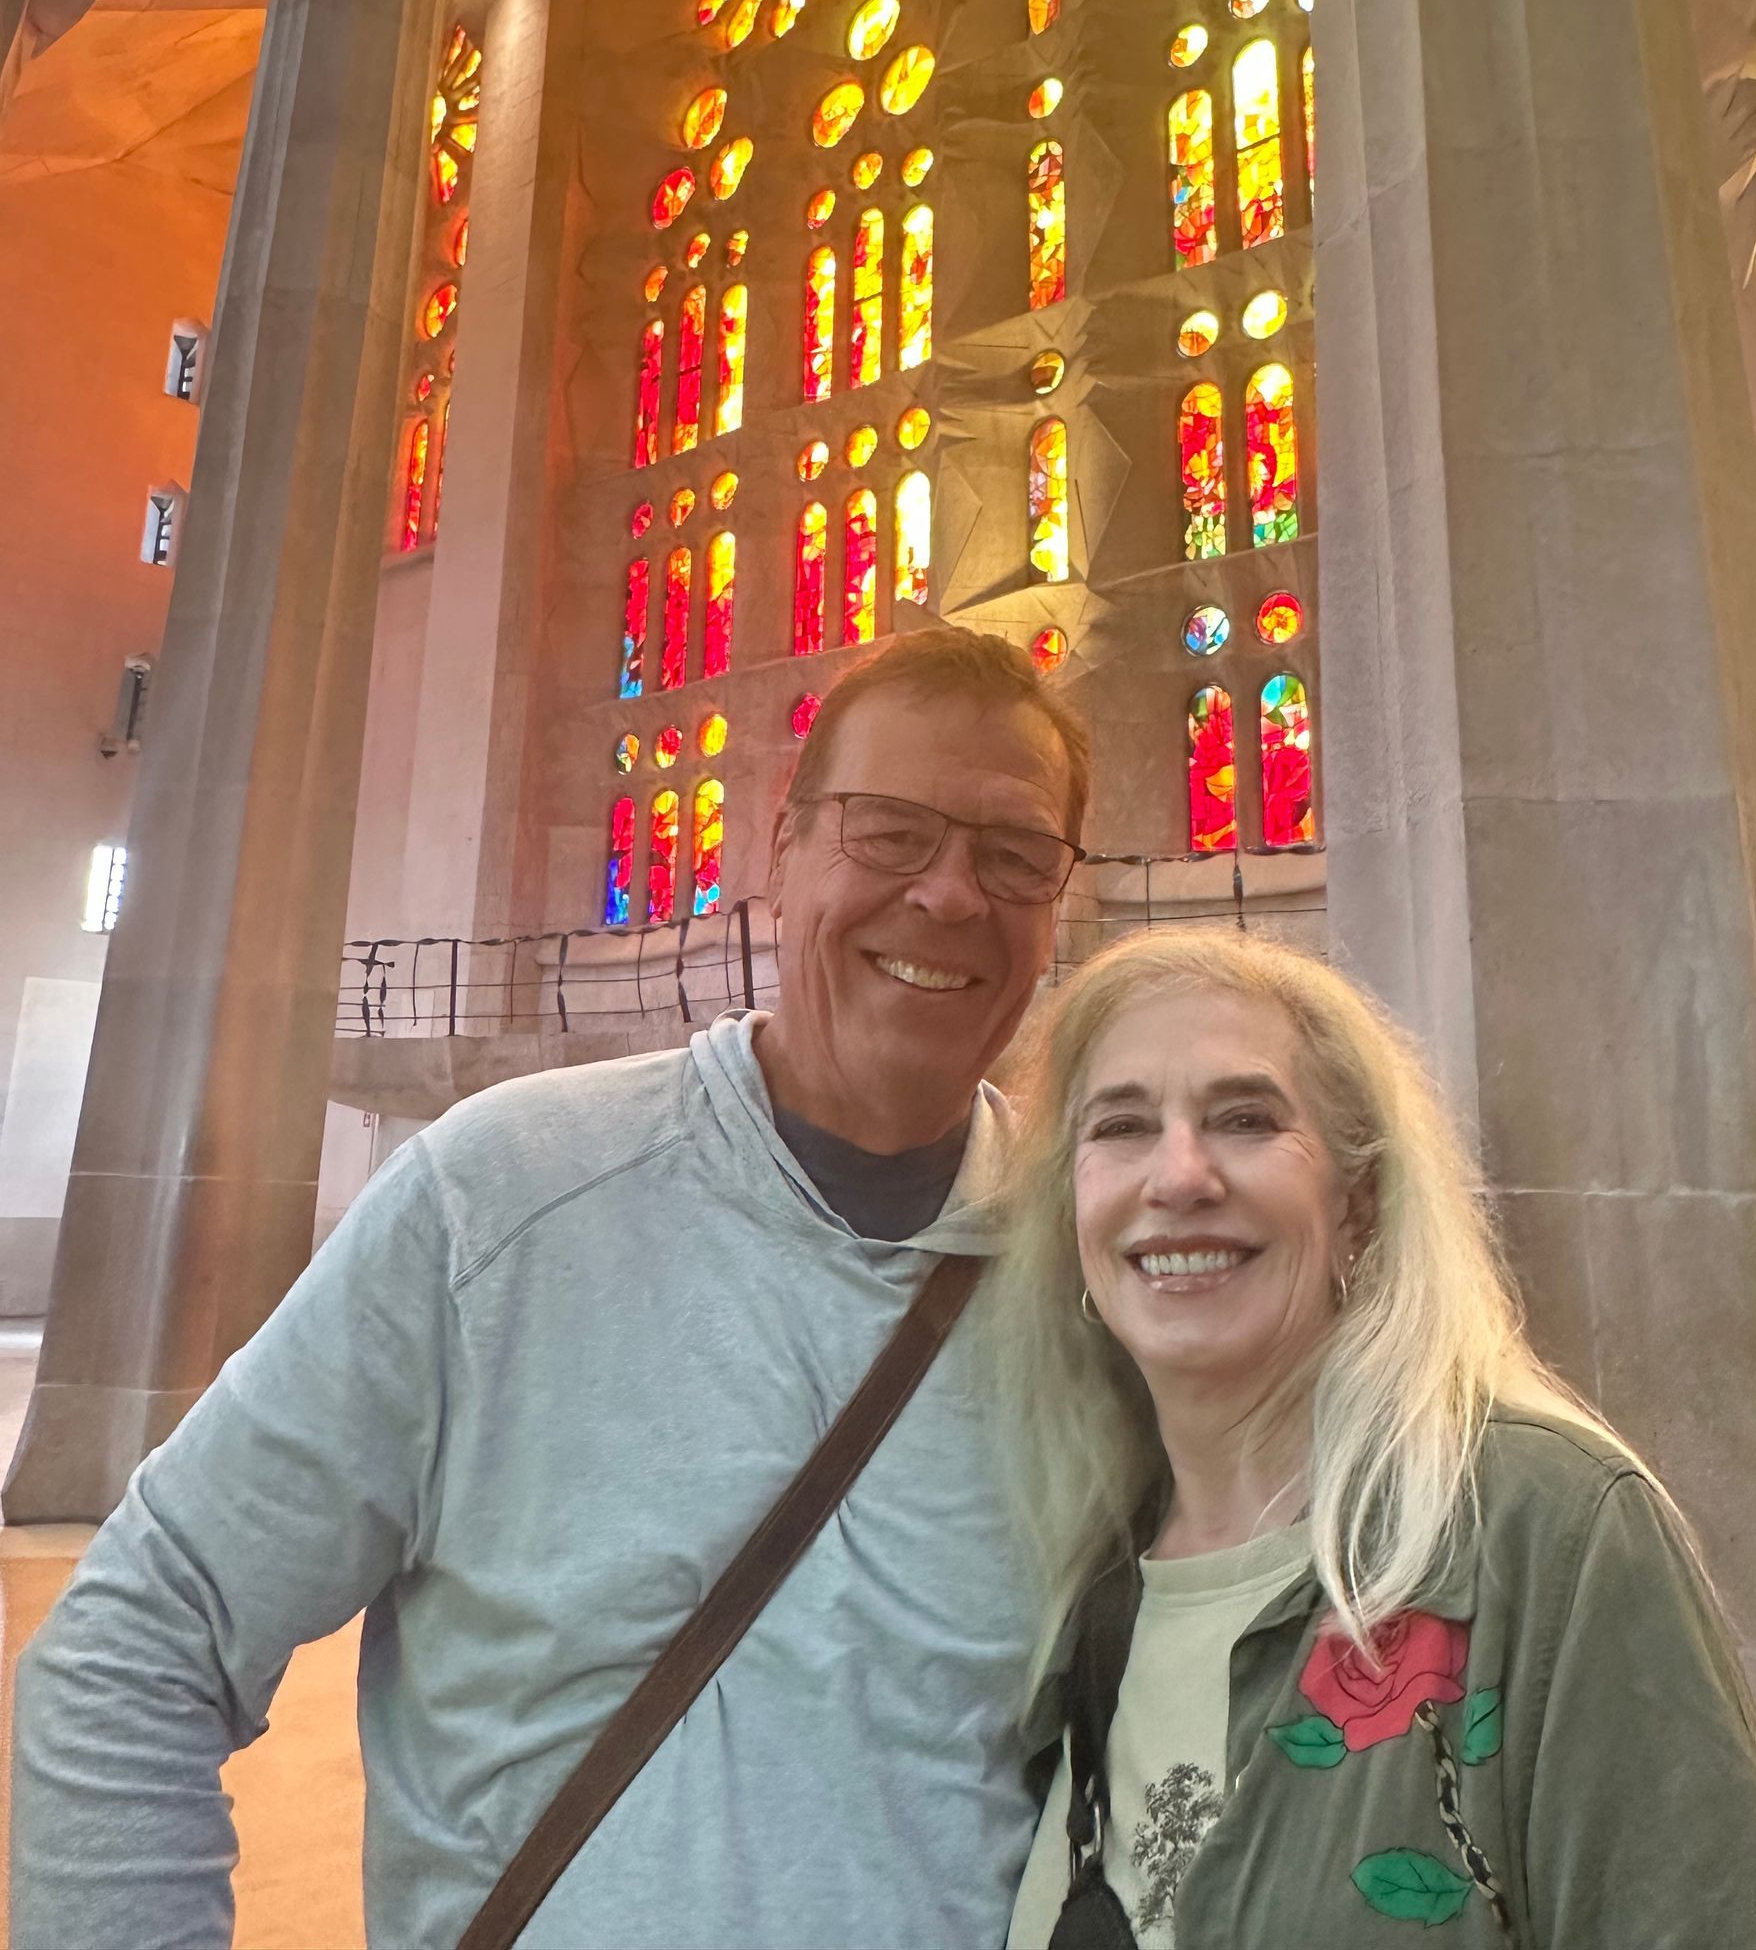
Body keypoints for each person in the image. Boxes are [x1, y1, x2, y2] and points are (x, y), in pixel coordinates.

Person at [12, 626, 1089, 1950]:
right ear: (784, 847)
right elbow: (141, 1642)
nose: (950, 895)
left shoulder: (1088, 1271)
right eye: (888, 834)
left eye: (1015, 856)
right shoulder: (507, 1195)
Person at [995, 926, 1756, 1950]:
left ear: (1359, 1207)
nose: (1178, 1174)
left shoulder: (1546, 1535)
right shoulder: (1086, 1599)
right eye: (1120, 1126)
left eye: (1246, 1118)